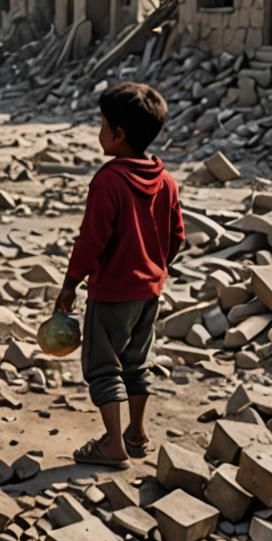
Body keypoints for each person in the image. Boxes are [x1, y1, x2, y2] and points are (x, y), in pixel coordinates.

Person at [55, 82, 184, 469]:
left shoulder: (109, 181)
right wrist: (156, 266)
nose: (99, 132)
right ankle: (137, 433)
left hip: (112, 293)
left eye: (101, 125)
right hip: (149, 293)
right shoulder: (166, 181)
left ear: (118, 135)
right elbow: (177, 236)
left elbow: (91, 241)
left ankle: (112, 443)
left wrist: (70, 285)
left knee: (103, 366)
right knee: (136, 364)